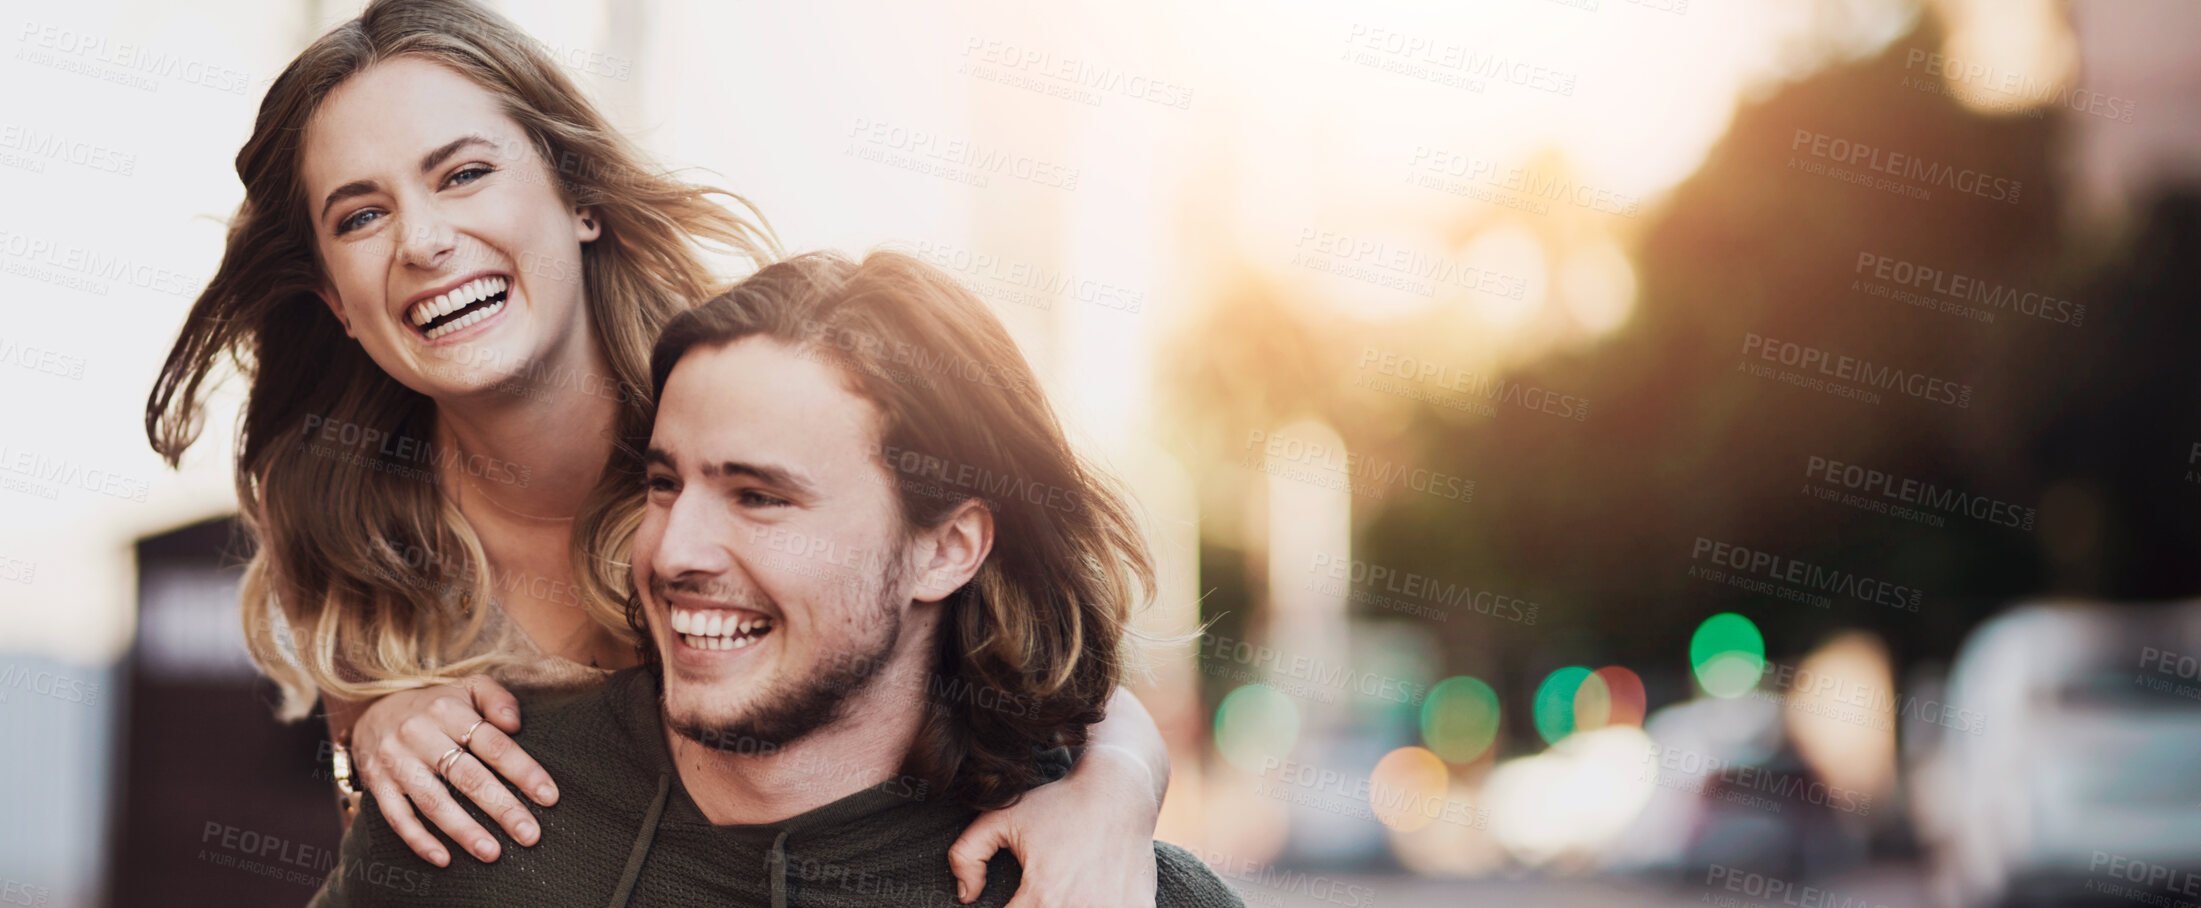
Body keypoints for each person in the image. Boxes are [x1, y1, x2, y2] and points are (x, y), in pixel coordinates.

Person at [143, 1, 1171, 902]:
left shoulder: (737, 395)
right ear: (336, 299)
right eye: (361, 214)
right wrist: (377, 730)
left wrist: (1113, 790)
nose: (422, 240)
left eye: (462, 173)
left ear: (579, 197)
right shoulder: (354, 522)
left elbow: (1027, 639)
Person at [308, 250, 1240, 907]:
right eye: (666, 484)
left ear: (946, 549)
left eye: (760, 498)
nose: (674, 553)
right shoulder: (464, 816)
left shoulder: (1103, 888)